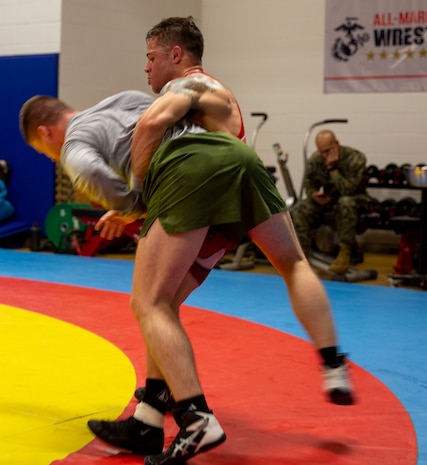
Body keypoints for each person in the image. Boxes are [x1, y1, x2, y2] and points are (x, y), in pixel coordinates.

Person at [85, 17, 355, 465]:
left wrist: (135, 195)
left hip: (205, 181)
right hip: (235, 183)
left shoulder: (191, 86)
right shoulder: (214, 101)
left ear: (177, 55)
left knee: (149, 303)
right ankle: (331, 363)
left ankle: (195, 417)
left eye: (151, 58)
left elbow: (151, 124)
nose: (146, 70)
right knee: (289, 264)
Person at [291, 129, 370, 274]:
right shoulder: (316, 159)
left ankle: (345, 253)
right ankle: (300, 256)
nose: (324, 155)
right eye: (321, 152)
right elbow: (310, 184)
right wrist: (315, 194)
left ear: (337, 144)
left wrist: (332, 168)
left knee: (345, 202)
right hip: (328, 199)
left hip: (356, 200)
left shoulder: (356, 158)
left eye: (328, 151)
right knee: (300, 208)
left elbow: (349, 190)